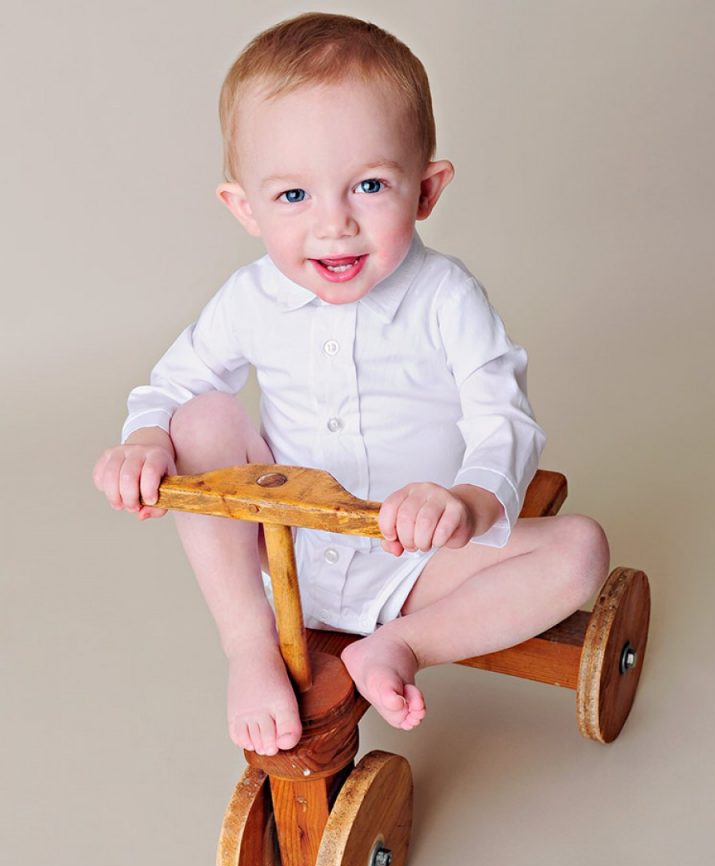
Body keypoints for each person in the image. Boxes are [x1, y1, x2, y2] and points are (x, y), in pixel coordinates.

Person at [93, 12, 609, 756]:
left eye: (369, 185)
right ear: (244, 207)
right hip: (287, 547)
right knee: (197, 418)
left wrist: (466, 500)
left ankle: (403, 644)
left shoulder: (445, 298)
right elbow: (173, 384)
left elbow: (503, 416)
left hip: (416, 560)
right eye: (293, 196)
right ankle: (250, 646)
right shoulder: (250, 298)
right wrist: (145, 439)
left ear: (425, 191)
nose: (334, 224)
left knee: (581, 550)